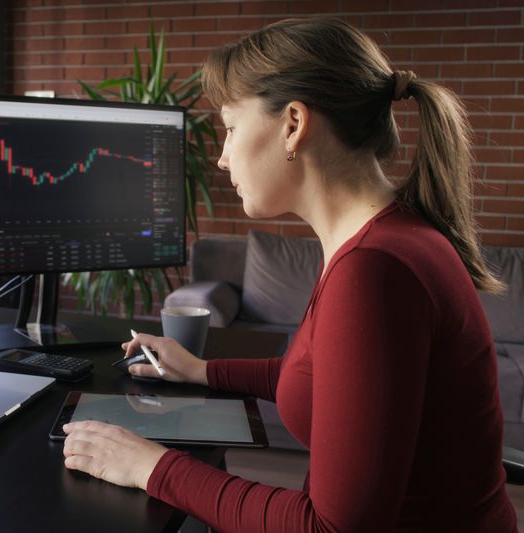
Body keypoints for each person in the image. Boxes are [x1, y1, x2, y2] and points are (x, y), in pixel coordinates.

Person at [62, 16, 518, 532]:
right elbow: (324, 381)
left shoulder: (375, 270)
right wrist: (200, 370)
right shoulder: (382, 240)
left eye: (231, 128)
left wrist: (149, 466)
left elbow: (330, 528)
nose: (222, 157)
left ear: (294, 124)